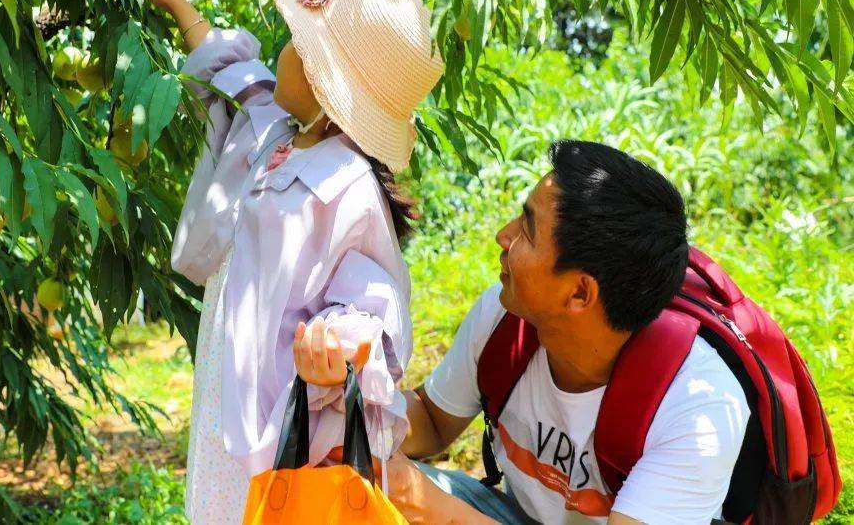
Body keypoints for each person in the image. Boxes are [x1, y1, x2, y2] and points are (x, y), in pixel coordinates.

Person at [295, 141, 750, 524]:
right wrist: (357, 391)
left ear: (579, 294)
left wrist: (422, 500)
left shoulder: (696, 407)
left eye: (527, 231)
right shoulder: (506, 321)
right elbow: (433, 423)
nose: (503, 235)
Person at [145, 0, 444, 524]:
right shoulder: (278, 130)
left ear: (315, 73)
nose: (278, 49)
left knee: (261, 506)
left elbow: (373, 302)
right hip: (231, 384)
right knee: (221, 497)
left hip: (282, 412)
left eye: (292, 41)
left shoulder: (345, 186)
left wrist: (339, 346)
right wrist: (175, 2)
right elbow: (229, 80)